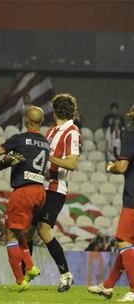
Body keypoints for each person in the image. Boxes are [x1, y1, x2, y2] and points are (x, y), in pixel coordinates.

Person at [0, 106, 49, 292]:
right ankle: (31, 266)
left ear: (26, 120)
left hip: (23, 191)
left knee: (9, 234)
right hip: (40, 191)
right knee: (19, 232)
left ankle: (19, 281)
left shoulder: (19, 139)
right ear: (41, 122)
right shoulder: (45, 142)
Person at [31, 93, 81, 292]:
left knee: (43, 229)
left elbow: (71, 163)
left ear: (54, 112)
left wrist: (48, 157)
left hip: (56, 188)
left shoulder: (72, 131)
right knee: (27, 227)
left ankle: (66, 275)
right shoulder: (51, 131)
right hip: (40, 185)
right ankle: (26, 270)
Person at [88, 104, 134, 302]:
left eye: (132, 110)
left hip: (133, 198)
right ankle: (107, 286)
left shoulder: (131, 134)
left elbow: (122, 166)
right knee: (128, 245)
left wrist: (110, 167)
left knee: (122, 239)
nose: (128, 113)